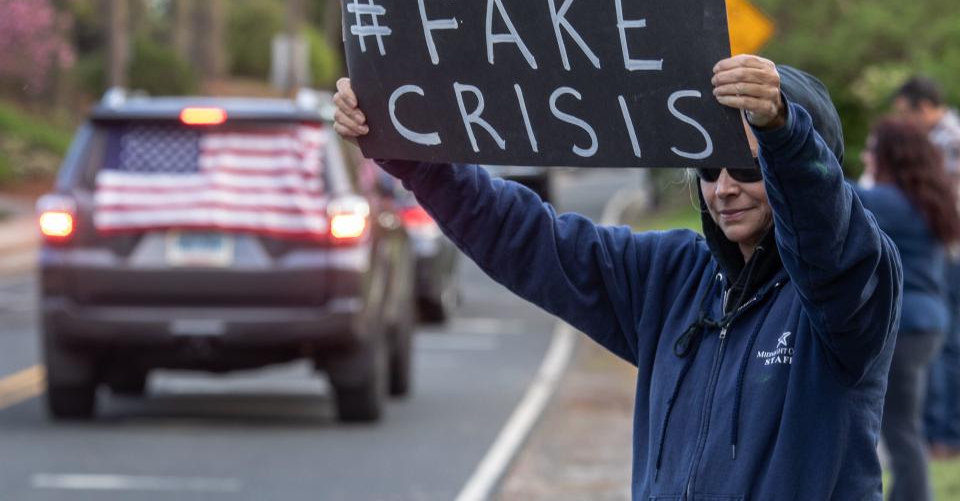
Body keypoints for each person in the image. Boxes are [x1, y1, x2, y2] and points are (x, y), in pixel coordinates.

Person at [334, 54, 902, 500]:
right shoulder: (673, 276)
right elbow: (524, 236)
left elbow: (827, 235)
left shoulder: (850, 290)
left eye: (749, 167)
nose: (723, 187)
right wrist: (410, 154)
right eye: (708, 166)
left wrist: (783, 133)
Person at [858, 118, 960, 501]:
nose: (867, 154)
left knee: (901, 431)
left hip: (905, 325)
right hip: (929, 324)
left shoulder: (887, 200)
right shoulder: (927, 199)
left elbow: (828, 194)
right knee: (905, 428)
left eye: (872, 148)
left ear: (889, 155)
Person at [894, 76, 960, 459]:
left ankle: (947, 435)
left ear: (924, 107)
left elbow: (938, 203)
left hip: (950, 253)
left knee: (947, 344)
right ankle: (941, 432)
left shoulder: (947, 141)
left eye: (906, 113)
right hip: (939, 251)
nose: (904, 121)